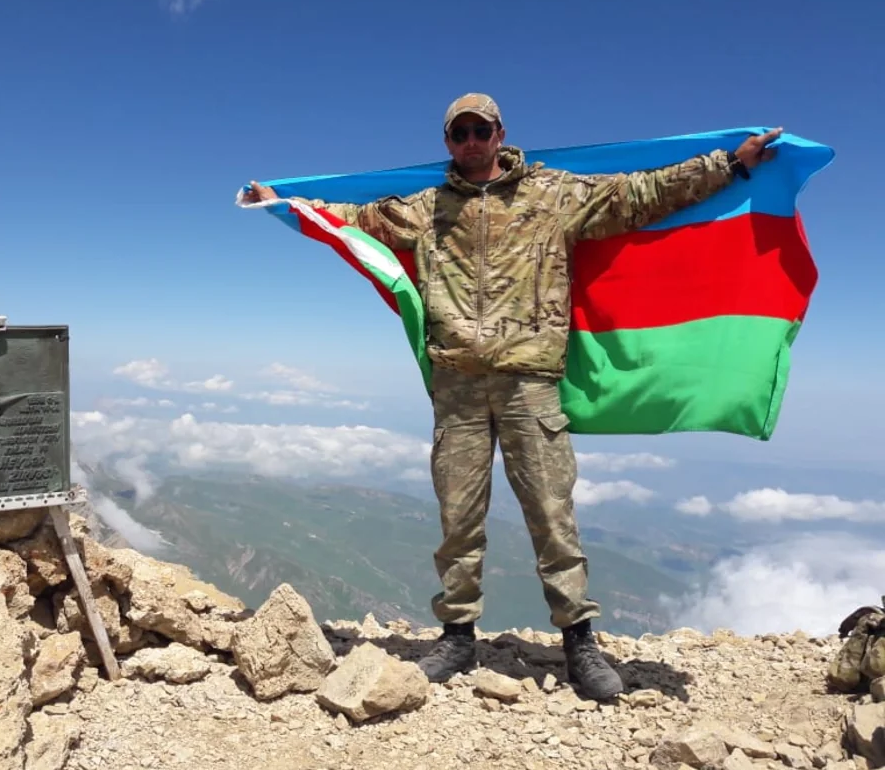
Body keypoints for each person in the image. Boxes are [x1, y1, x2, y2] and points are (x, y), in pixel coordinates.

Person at [244, 93, 782, 699]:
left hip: (531, 381)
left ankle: (580, 642)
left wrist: (730, 166)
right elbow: (350, 218)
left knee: (552, 515)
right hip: (457, 386)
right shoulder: (426, 208)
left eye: (480, 130)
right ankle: (456, 636)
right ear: (448, 142)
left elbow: (643, 194)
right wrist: (285, 204)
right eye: (459, 133)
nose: (470, 142)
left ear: (500, 133)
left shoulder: (554, 196)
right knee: (459, 518)